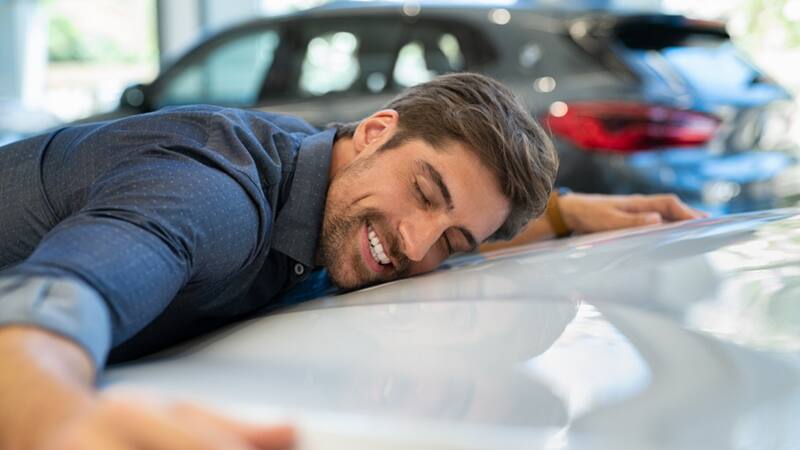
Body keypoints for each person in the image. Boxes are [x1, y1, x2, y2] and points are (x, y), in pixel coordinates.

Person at [0, 73, 702, 450]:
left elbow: (459, 226)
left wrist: (564, 212)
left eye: (454, 243)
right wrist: (49, 420)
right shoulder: (215, 196)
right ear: (374, 132)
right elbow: (55, 299)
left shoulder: (336, 176)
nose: (418, 244)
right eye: (426, 192)